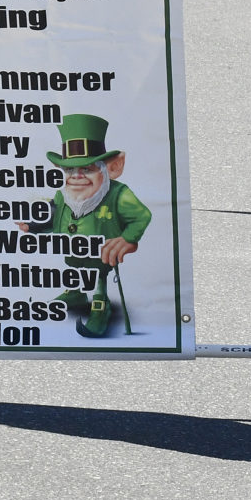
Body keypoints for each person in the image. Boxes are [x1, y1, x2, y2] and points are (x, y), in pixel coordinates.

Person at [29, 114, 153, 339]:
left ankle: (99, 307)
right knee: (74, 267)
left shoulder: (118, 194)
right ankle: (75, 292)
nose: (76, 177)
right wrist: (34, 226)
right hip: (73, 250)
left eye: (86, 169)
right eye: (69, 170)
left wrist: (127, 238)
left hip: (101, 253)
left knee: (98, 276)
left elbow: (141, 216)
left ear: (109, 169)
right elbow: (53, 216)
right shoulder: (62, 195)